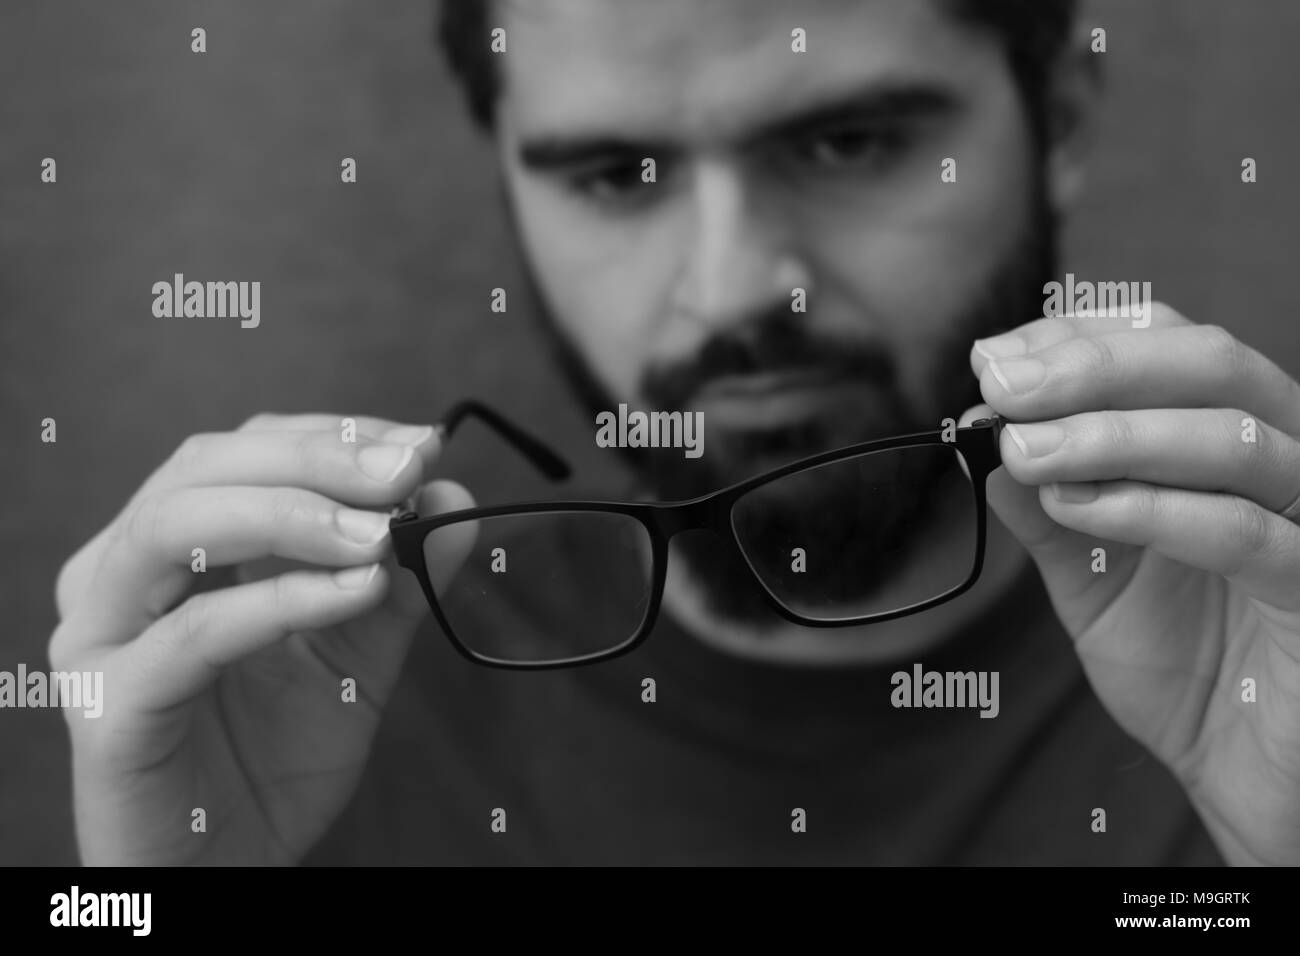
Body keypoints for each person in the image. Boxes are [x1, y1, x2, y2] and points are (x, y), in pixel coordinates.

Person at [50, 0, 1300, 865]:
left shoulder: (1267, 658)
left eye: (849, 141)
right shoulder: (307, 699)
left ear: (1061, 117)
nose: (738, 287)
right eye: (616, 175)